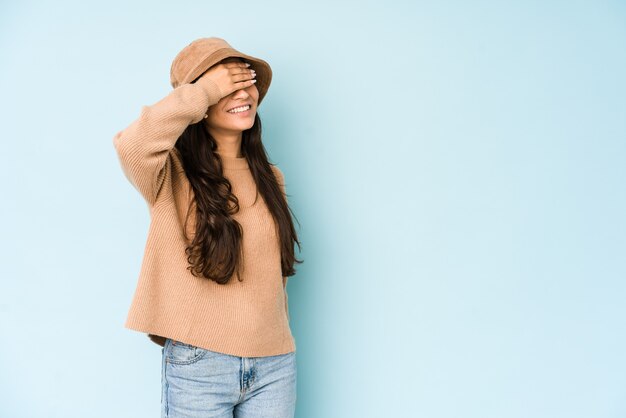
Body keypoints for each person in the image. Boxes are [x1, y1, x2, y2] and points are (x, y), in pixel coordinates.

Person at [112, 37, 303, 418]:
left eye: (245, 81)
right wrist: (204, 90)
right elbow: (131, 145)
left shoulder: (271, 178)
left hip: (274, 365)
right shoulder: (170, 175)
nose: (242, 92)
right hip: (199, 363)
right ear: (198, 101)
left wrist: (277, 342)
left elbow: (271, 276)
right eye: (225, 84)